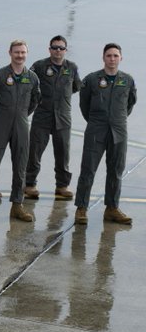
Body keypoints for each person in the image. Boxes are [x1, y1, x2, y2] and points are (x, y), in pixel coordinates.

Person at [0, 40, 39, 223]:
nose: (20, 55)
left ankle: (17, 205)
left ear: (26, 54)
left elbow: (35, 100)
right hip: (0, 123)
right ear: (10, 53)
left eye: (23, 52)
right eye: (16, 52)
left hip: (21, 123)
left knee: (20, 165)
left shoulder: (32, 77)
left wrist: (21, 115)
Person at [74, 43, 136, 225]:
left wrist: (116, 119)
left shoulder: (128, 80)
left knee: (116, 171)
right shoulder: (92, 80)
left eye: (116, 56)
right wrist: (96, 121)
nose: (112, 59)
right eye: (109, 55)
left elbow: (130, 104)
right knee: (88, 169)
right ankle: (81, 208)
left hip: (118, 131)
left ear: (121, 58)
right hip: (96, 130)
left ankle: (112, 208)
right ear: (103, 57)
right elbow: (84, 105)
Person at [24, 35, 82, 201]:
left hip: (63, 117)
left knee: (63, 153)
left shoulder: (72, 67)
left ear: (65, 50)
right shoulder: (40, 66)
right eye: (55, 47)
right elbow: (29, 86)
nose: (58, 51)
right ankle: (29, 184)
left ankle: (62, 186)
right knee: (34, 152)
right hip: (42, 116)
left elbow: (76, 87)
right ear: (49, 49)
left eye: (61, 48)